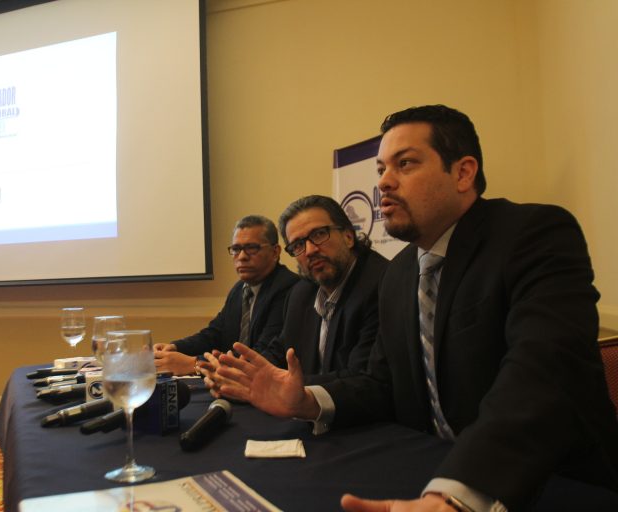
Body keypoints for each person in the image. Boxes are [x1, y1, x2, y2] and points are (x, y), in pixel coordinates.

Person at [207, 105, 618, 511]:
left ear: (463, 172)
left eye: (405, 164)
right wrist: (307, 402)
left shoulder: (533, 234)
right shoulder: (400, 273)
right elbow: (381, 383)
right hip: (432, 471)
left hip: (547, 484)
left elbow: (541, 372)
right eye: (381, 169)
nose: (384, 183)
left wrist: (458, 491)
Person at [259, 195, 388, 384]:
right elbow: (282, 350)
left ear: (348, 236)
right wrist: (244, 372)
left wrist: (286, 386)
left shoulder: (382, 285)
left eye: (319, 234)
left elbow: (362, 377)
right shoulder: (300, 293)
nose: (310, 250)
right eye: (298, 245)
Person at [154, 215, 298, 376]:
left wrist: (194, 364)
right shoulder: (239, 289)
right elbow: (214, 334)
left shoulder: (288, 288)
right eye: (236, 249)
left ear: (275, 252)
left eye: (251, 248)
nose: (242, 256)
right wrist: (174, 348)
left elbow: (262, 356)